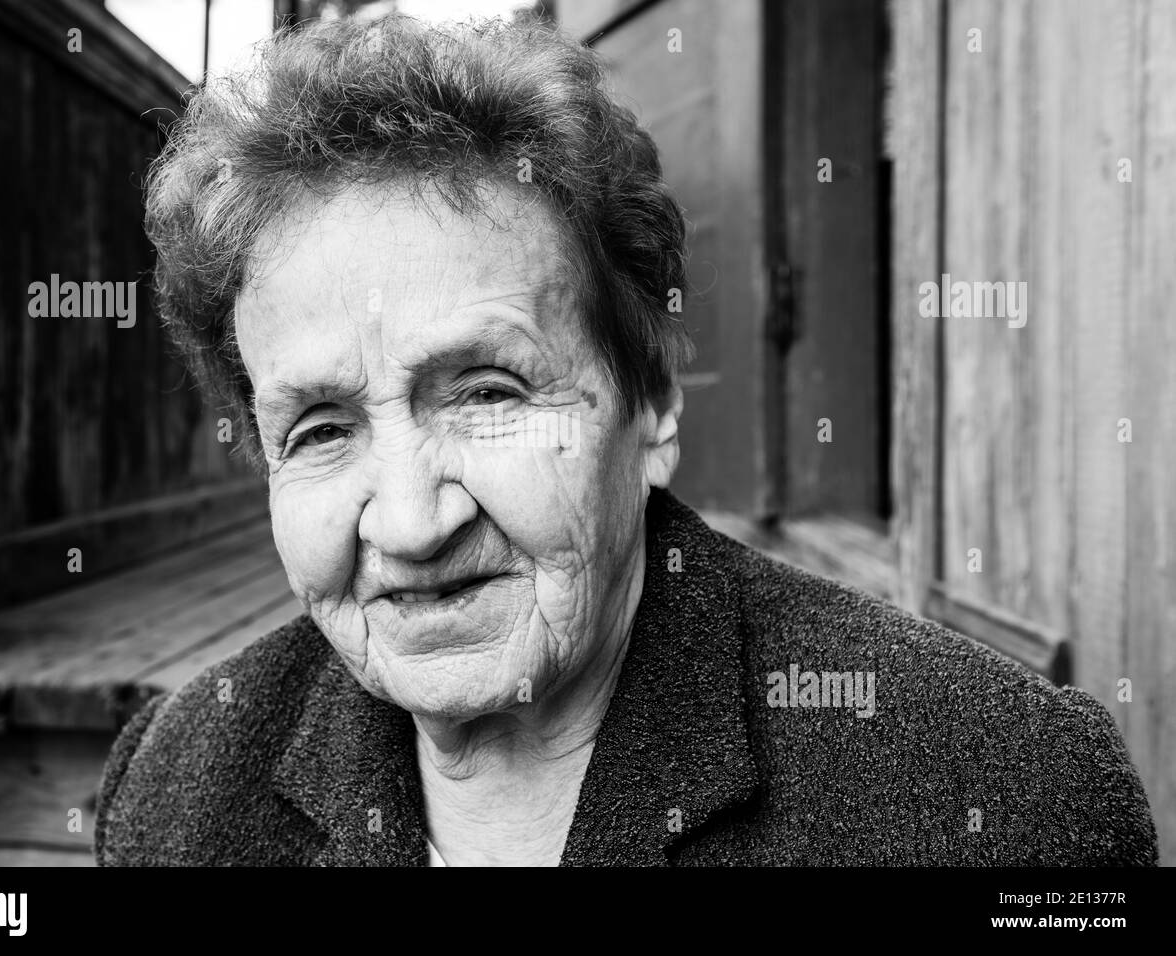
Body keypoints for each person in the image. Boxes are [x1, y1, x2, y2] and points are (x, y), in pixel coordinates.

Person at [95, 14, 1158, 866]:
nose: (413, 521)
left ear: (650, 402)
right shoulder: (177, 790)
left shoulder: (1000, 793)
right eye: (321, 427)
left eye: (485, 391)